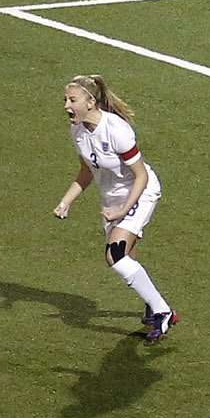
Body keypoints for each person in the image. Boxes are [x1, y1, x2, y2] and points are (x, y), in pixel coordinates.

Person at [54, 75, 176, 342]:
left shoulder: (117, 131)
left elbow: (141, 176)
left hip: (140, 193)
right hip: (113, 201)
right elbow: (86, 171)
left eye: (72, 100)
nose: (66, 105)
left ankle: (163, 311)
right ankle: (152, 301)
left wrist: (123, 212)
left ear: (90, 101)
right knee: (125, 260)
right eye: (65, 99)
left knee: (116, 253)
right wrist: (67, 201)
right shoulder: (77, 131)